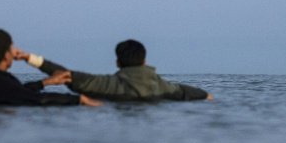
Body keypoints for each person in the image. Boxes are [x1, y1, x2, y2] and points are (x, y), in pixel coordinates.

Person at [27, 39, 213, 101]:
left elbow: (65, 76)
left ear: (117, 62)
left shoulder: (108, 85)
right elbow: (185, 91)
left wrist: (30, 58)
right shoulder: (162, 86)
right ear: (144, 61)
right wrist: (206, 95)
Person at [0, 29, 99, 106]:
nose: (15, 50)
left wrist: (46, 82)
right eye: (12, 47)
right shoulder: (0, 80)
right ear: (6, 55)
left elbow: (16, 91)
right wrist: (78, 100)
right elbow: (35, 99)